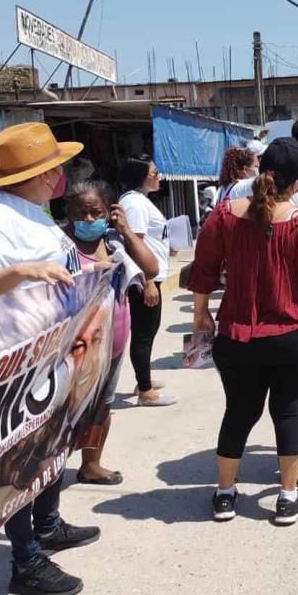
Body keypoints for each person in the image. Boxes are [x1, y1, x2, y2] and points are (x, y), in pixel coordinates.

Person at [0, 121, 98, 595]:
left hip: (52, 353)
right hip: (21, 366)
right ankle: (26, 561)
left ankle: (48, 524)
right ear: (42, 174)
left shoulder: (34, 211)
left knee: (52, 450)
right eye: (57, 168)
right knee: (22, 463)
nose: (61, 175)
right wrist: (21, 271)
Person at [188, 138, 298, 525]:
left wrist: (201, 316)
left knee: (238, 414)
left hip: (237, 339)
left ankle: (225, 496)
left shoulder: (224, 214)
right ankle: (287, 498)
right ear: (297, 184)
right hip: (292, 340)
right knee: (289, 413)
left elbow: (204, 269)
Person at [63, 181, 158, 485]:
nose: (89, 220)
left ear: (109, 212)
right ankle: (48, 475)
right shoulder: (60, 245)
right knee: (66, 409)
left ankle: (91, 464)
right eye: (81, 213)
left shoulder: (115, 240)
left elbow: (151, 267)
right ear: (69, 214)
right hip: (75, 347)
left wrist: (127, 231)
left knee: (101, 406)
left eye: (96, 212)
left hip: (113, 342)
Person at [118, 154, 176, 407]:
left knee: (149, 331)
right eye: (154, 172)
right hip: (145, 278)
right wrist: (147, 281)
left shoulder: (141, 201)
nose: (158, 176)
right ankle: (145, 391)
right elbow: (134, 244)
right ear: (141, 176)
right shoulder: (134, 203)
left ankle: (145, 379)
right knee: (143, 333)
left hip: (153, 274)